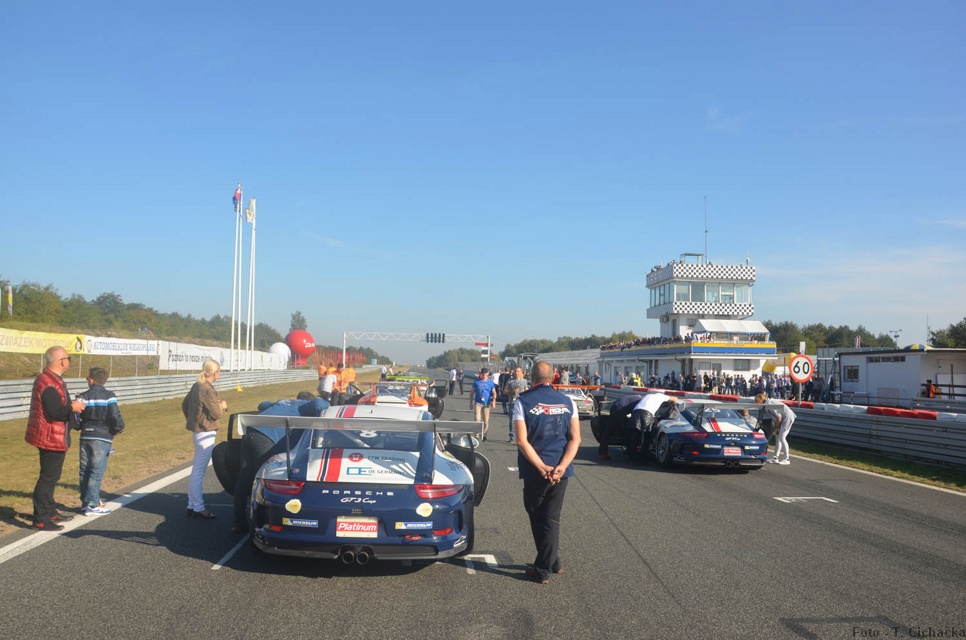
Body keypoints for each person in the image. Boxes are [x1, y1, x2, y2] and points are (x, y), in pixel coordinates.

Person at [512, 361, 581, 585]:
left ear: (531, 378)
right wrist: (561, 466)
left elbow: (521, 441)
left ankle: (542, 569)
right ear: (553, 378)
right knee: (550, 517)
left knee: (539, 516)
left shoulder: (522, 402)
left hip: (535, 471)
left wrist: (541, 467)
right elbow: (575, 439)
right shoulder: (568, 401)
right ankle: (554, 561)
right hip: (561, 470)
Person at [231, 391, 329, 533]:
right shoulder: (305, 405)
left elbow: (262, 405)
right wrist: (329, 403)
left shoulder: (284, 402)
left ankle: (238, 522)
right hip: (266, 437)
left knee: (244, 478)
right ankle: (259, 523)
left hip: (250, 432)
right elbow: (319, 404)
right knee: (262, 481)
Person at [25, 346, 86, 531]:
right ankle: (41, 518)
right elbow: (55, 411)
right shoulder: (48, 383)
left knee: (52, 476)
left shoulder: (52, 379)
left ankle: (50, 511)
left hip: (54, 435)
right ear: (61, 361)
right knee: (47, 478)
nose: (69, 362)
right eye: (68, 358)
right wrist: (73, 408)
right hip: (50, 437)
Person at [76, 367, 125, 516]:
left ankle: (86, 503)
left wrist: (80, 426)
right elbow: (114, 415)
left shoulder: (82, 396)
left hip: (85, 436)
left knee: (84, 470)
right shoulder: (109, 396)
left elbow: (75, 417)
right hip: (102, 436)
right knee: (96, 471)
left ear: (91, 380)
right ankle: (93, 504)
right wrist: (119, 428)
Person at [182, 359, 227, 519]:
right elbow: (216, 414)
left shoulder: (197, 385)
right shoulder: (208, 389)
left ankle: (192, 504)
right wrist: (223, 406)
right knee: (199, 472)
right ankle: (198, 507)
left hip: (198, 432)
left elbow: (184, 404)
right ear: (215, 373)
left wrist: (193, 420)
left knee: (196, 470)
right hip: (206, 432)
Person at [597, 394, 643, 461]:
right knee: (629, 431)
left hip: (614, 407)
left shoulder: (638, 397)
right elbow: (636, 414)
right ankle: (631, 453)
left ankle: (602, 453)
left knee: (608, 431)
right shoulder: (642, 401)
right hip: (620, 410)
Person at [629, 392, 672, 461]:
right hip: (646, 414)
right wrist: (672, 403)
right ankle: (643, 457)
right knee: (647, 436)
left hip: (635, 412)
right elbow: (675, 399)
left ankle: (632, 457)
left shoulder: (648, 396)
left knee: (634, 435)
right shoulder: (662, 397)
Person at [756, 392, 795, 465]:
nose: (756, 403)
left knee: (782, 437)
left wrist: (777, 427)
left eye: (757, 401)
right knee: (777, 437)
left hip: (787, 418)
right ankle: (775, 457)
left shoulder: (769, 404)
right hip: (783, 418)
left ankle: (787, 458)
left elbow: (779, 416)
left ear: (761, 400)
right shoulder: (767, 403)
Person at [471, 368, 497, 440]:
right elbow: (472, 392)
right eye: (483, 373)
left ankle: (484, 433)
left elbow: (494, 392)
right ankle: (476, 434)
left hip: (486, 404)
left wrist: (494, 401)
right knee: (477, 418)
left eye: (485, 373)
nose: (484, 375)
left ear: (488, 373)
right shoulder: (477, 382)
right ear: (481, 373)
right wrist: (470, 403)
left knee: (486, 420)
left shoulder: (490, 382)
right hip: (478, 403)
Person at [505, 366, 529, 441]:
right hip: (512, 402)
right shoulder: (510, 381)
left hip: (522, 402)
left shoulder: (524, 381)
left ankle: (522, 436)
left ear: (521, 372)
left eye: (518, 371)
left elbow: (526, 390)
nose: (516, 373)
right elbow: (505, 391)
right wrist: (511, 392)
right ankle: (512, 435)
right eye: (515, 371)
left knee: (523, 419)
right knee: (512, 420)